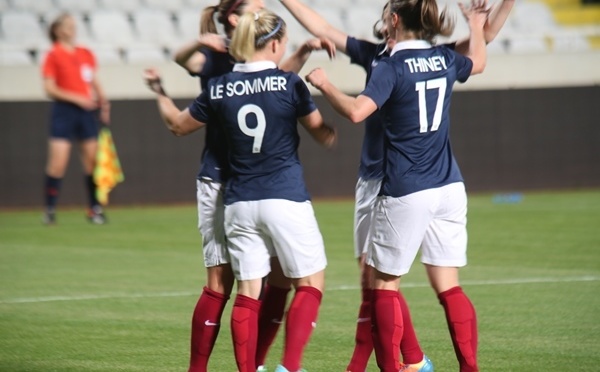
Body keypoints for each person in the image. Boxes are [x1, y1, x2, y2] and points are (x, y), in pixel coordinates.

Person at [280, 0, 514, 370]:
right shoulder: (438, 57)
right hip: (446, 183)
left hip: (399, 183)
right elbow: (481, 53)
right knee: (443, 285)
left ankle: (385, 365)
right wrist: (480, 20)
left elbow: (357, 111)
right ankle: (435, 363)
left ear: (392, 19)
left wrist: (324, 84)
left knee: (380, 283)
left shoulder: (389, 65)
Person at [145, 9, 336, 372]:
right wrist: (328, 132)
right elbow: (320, 130)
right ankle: (290, 367)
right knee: (310, 283)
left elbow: (179, 126)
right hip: (284, 194)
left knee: (247, 293)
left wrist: (158, 92)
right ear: (276, 43)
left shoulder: (219, 87)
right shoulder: (289, 84)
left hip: (237, 200)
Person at [41, 12, 110, 225]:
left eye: (73, 25)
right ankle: (50, 209)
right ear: (58, 30)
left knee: (92, 161)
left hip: (86, 112)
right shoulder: (53, 55)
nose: (73, 28)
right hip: (64, 111)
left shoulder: (84, 53)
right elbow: (49, 88)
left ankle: (94, 209)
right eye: (68, 25)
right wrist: (77, 98)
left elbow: (92, 80)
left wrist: (103, 101)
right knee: (57, 163)